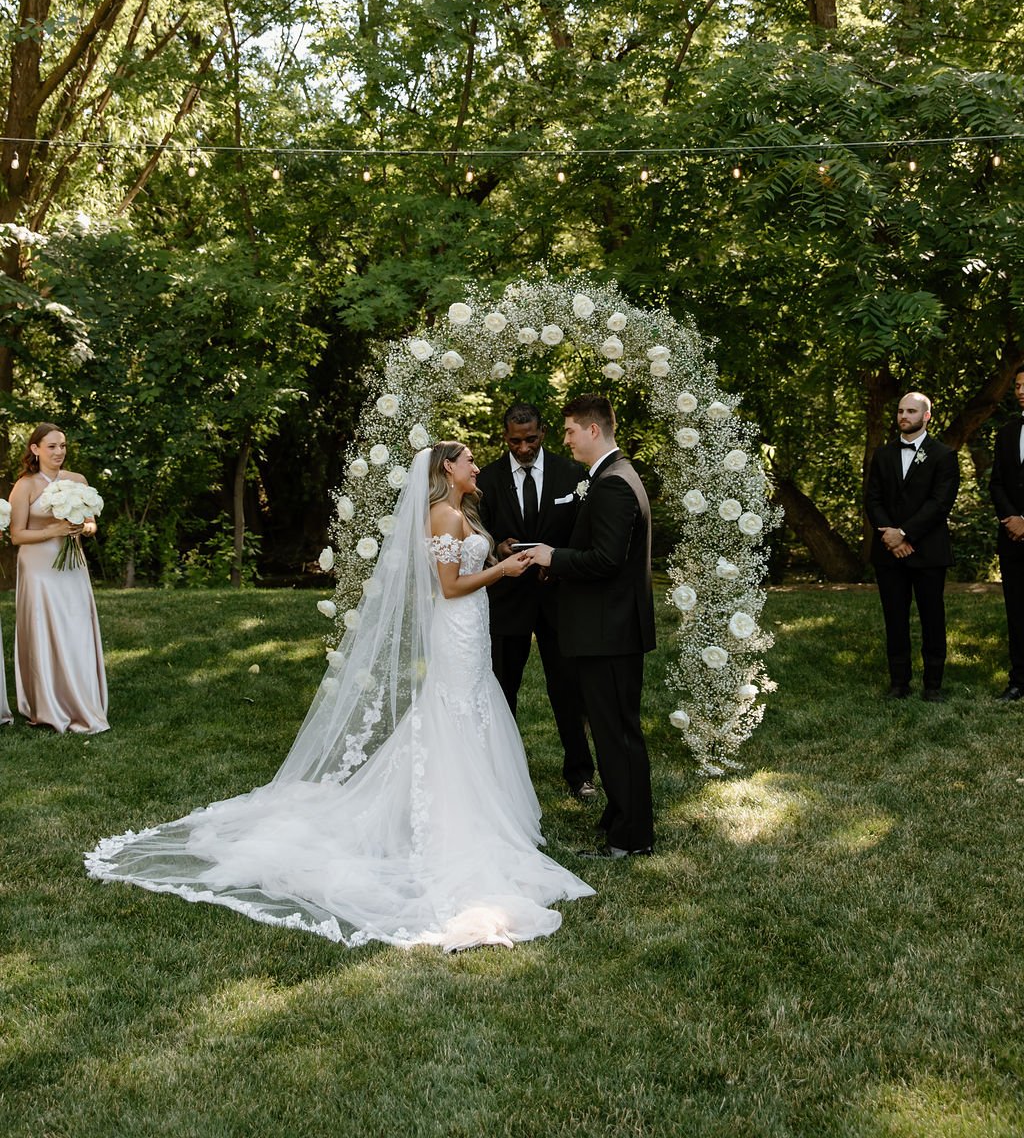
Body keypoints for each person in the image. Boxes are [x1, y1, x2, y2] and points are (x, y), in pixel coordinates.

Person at [86, 441, 594, 951]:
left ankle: (479, 806)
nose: (476, 466)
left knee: (474, 706)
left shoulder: (460, 510)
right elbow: (448, 586)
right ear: (448, 468)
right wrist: (502, 572)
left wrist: (501, 554)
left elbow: (467, 565)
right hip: (457, 623)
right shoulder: (441, 513)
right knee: (456, 709)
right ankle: (453, 816)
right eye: (467, 460)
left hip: (472, 627)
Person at [525, 395, 656, 859]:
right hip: (609, 629)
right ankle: (621, 819)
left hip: (610, 632)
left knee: (618, 734)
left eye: (569, 431)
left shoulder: (614, 484)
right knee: (611, 730)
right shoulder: (609, 477)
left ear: (593, 431)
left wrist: (552, 557)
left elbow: (606, 560)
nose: (564, 440)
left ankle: (631, 837)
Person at [476, 402, 597, 800]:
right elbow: (477, 531)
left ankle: (580, 775)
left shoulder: (572, 474)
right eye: (515, 441)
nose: (523, 448)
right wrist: (499, 545)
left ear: (543, 433)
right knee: (501, 686)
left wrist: (557, 562)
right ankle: (498, 772)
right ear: (504, 437)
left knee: (567, 687)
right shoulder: (488, 479)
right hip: (507, 598)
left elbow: (583, 532)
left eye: (530, 439)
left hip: (557, 596)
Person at [9, 423, 108, 734]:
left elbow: (92, 525)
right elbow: (16, 536)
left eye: (62, 445)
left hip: (72, 565)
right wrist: (50, 531)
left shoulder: (77, 481)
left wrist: (83, 528)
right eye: (51, 446)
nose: (59, 452)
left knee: (76, 627)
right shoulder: (24, 486)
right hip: (38, 569)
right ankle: (47, 705)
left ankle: (82, 700)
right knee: (44, 628)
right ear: (35, 449)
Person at [865, 392, 960, 702]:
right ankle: (899, 682)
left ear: (926, 416)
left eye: (911, 411)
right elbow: (873, 499)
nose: (904, 416)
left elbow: (939, 503)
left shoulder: (944, 455)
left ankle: (933, 684)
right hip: (888, 552)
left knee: (933, 617)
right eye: (900, 410)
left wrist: (905, 534)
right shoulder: (883, 454)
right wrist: (890, 537)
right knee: (894, 617)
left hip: (928, 551)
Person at [989, 366, 1024, 701]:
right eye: (1016, 386)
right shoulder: (1007, 432)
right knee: (1016, 612)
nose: (1021, 390)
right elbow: (996, 483)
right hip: (1012, 539)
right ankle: (1018, 680)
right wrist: (1012, 519)